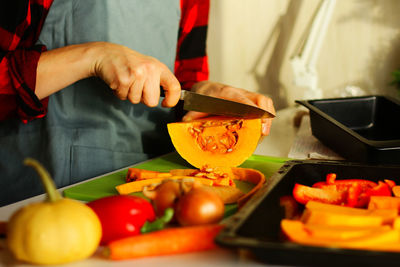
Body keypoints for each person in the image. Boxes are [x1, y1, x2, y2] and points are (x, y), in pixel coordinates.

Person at [0, 0, 275, 206]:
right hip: (41, 197)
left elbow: (183, 77)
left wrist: (207, 91)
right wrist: (92, 57)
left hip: (159, 186)